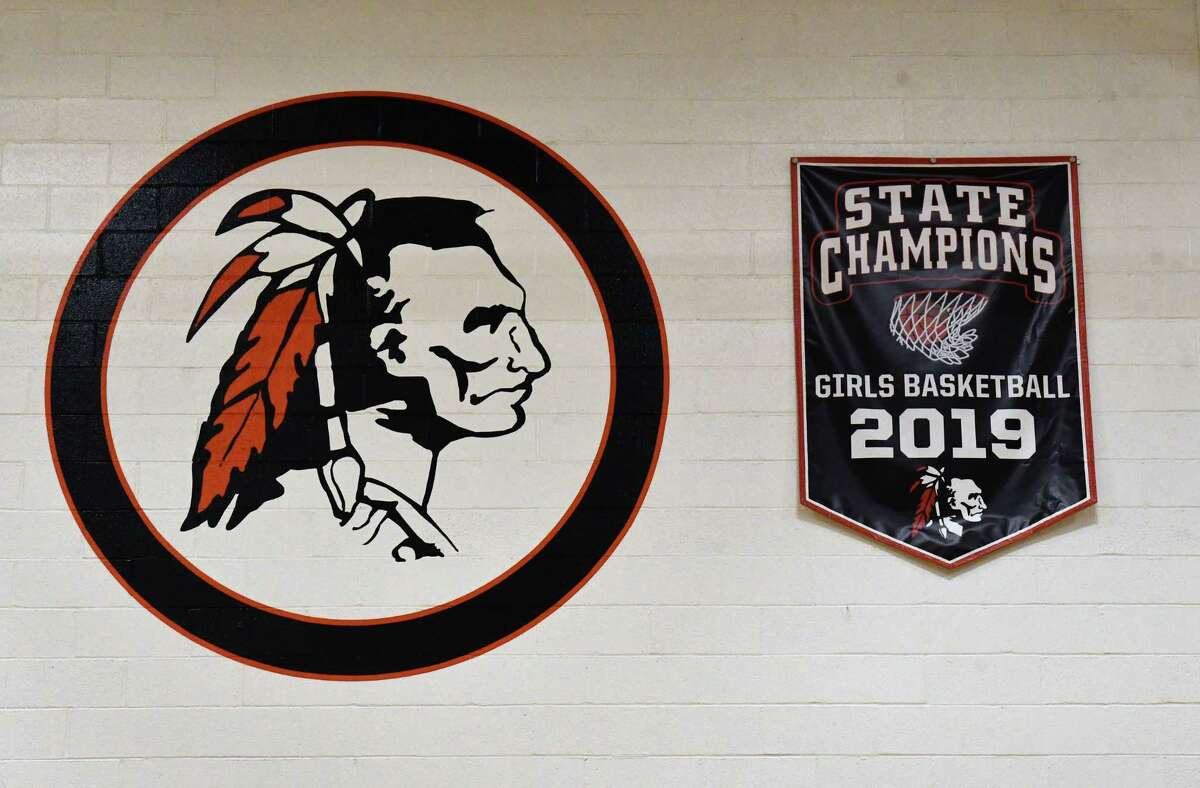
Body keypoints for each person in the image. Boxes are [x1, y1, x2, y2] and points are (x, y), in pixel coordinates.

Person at [182, 190, 550, 562]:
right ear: (392, 347)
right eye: (486, 323)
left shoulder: (406, 527)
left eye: (520, 322)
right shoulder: (296, 533)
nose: (535, 360)